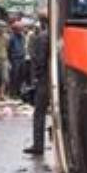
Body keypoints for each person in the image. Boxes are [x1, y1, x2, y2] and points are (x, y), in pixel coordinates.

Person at [24, 17, 52, 156]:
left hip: (45, 80)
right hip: (60, 79)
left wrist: (36, 77)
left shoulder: (42, 37)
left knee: (39, 112)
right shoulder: (59, 35)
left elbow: (39, 60)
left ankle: (38, 145)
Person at [7, 21, 26, 98]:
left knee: (21, 76)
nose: (21, 30)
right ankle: (13, 93)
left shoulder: (22, 37)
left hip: (22, 58)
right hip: (15, 59)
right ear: (15, 29)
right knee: (14, 76)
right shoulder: (11, 38)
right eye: (19, 29)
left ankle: (18, 92)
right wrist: (10, 60)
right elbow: (8, 49)